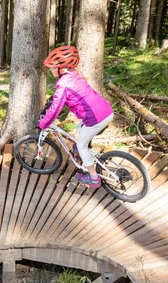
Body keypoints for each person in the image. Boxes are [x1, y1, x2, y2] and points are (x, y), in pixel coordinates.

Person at [38, 46, 114, 188]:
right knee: (79, 127)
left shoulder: (63, 84)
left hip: (95, 118)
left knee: (81, 144)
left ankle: (93, 178)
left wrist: (43, 124)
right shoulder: (74, 74)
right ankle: (83, 152)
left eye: (53, 67)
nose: (51, 70)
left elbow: (56, 108)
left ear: (62, 68)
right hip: (106, 111)